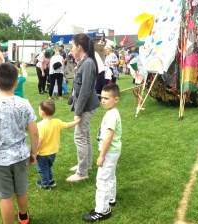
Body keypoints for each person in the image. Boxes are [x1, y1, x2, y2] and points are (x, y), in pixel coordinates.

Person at [0, 62, 40, 224]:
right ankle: (24, 217)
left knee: (5, 196)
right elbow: (34, 132)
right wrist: (34, 152)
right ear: (16, 82)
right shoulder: (24, 103)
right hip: (21, 156)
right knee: (21, 190)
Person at [82, 83, 123, 222]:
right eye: (102, 97)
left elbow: (108, 137)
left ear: (115, 99)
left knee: (102, 180)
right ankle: (111, 198)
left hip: (109, 152)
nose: (103, 101)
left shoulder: (112, 115)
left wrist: (101, 156)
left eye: (107, 98)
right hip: (113, 151)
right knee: (110, 176)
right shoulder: (111, 112)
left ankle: (102, 210)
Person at [67, 33, 100, 183]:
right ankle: (86, 165)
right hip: (86, 105)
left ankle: (82, 172)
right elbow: (77, 88)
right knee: (85, 136)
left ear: (79, 47)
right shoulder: (84, 61)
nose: (71, 49)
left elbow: (85, 91)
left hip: (86, 106)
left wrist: (78, 112)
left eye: (73, 46)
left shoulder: (87, 63)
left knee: (79, 137)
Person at [36, 100, 80, 190]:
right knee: (48, 167)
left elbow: (39, 141)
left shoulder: (39, 125)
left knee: (43, 169)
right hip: (53, 152)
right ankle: (51, 181)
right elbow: (68, 125)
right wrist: (77, 121)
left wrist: (34, 152)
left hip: (42, 153)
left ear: (42, 113)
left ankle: (45, 184)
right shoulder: (57, 122)